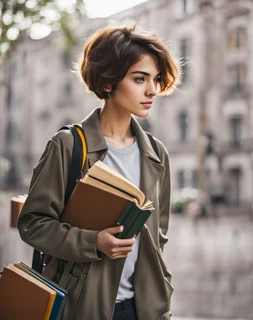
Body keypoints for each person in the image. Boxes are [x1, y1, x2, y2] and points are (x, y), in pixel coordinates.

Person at [18, 24, 179, 320]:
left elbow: (159, 234)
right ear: (108, 82)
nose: (152, 90)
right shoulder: (68, 145)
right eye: (139, 78)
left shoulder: (156, 153)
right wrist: (94, 242)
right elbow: (33, 224)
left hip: (144, 308)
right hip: (83, 307)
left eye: (155, 79)